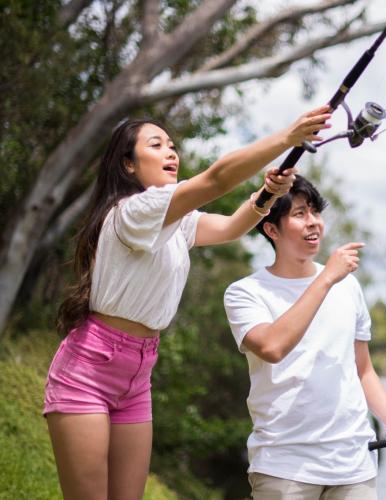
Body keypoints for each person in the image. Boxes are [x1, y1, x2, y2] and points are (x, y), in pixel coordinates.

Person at [44, 105, 331, 500]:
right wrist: (287, 137)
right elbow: (215, 179)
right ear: (128, 164)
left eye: (172, 145)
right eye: (156, 144)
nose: (171, 153)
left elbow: (230, 227)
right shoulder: (134, 212)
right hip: (89, 370)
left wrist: (267, 193)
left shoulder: (176, 219)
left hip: (138, 372)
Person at [223, 175, 386, 500]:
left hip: (353, 464)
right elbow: (272, 346)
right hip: (283, 466)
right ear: (272, 230)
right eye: (300, 213)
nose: (314, 222)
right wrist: (327, 277)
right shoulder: (246, 293)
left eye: (315, 211)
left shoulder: (348, 287)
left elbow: (362, 370)